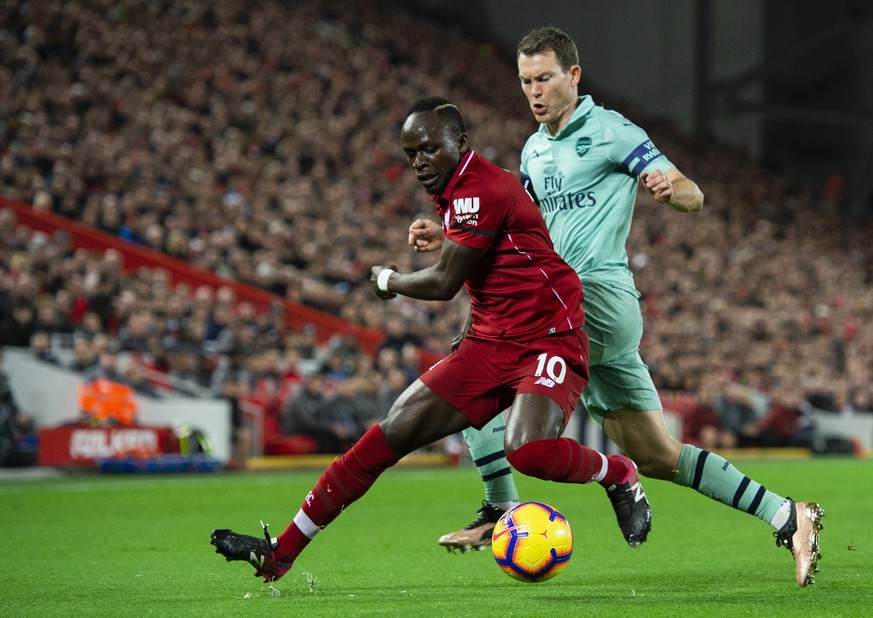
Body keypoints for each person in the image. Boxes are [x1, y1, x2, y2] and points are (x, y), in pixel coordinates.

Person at [410, 27, 823, 587]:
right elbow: (517, 230)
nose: (534, 91)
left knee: (482, 383)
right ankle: (787, 515)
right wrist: (453, 233)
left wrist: (667, 188)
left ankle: (502, 509)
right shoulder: (533, 149)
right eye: (526, 81)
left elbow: (693, 193)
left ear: (573, 76)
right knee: (657, 453)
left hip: (594, 299)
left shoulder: (610, 131)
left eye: (545, 79)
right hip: (569, 309)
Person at [210, 96, 651, 582]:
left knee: (528, 450)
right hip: (490, 340)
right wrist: (449, 245)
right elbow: (496, 258)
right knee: (389, 434)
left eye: (428, 150)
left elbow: (442, 284)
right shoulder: (458, 189)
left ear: (459, 143)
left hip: (550, 334)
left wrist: (388, 280)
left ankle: (618, 475)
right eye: (410, 154)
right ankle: (282, 553)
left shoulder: (479, 188)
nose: (419, 162)